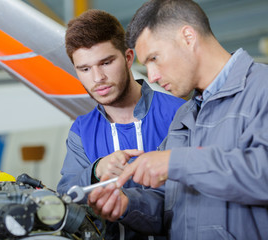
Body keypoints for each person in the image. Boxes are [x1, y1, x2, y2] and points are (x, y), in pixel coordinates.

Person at [87, 0, 268, 239]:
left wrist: (176, 161)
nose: (151, 76)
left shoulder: (262, 88)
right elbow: (172, 205)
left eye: (154, 58)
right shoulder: (185, 115)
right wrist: (127, 205)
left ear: (188, 37)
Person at [56, 9, 185, 239]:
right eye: (84, 69)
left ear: (127, 58)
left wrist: (127, 204)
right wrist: (96, 171)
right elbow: (65, 199)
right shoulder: (81, 130)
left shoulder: (179, 114)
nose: (97, 78)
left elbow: (191, 200)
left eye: (106, 63)